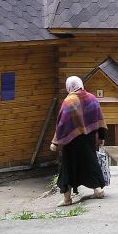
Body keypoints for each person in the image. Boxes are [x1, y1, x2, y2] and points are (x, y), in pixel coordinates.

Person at [50, 76, 107, 206]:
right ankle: (97, 190)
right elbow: (100, 120)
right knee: (90, 163)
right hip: (88, 141)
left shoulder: (69, 101)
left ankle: (67, 199)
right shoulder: (92, 98)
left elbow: (62, 124)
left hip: (72, 143)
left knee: (68, 168)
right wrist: (101, 138)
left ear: (69, 86)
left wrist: (55, 142)